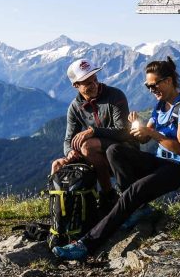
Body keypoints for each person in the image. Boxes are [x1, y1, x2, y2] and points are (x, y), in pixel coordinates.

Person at [53, 56, 180, 260]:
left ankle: (87, 244)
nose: (151, 90)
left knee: (133, 192)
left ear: (168, 81)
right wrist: (139, 128)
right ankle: (134, 206)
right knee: (114, 151)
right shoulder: (160, 107)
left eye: (154, 85)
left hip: (179, 168)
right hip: (160, 161)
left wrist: (153, 134)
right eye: (148, 86)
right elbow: (142, 136)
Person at [50, 58, 132, 203]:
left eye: (95, 79)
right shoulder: (75, 107)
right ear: (76, 85)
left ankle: (108, 195)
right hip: (97, 154)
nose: (94, 85)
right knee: (57, 164)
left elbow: (124, 132)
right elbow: (68, 140)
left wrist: (93, 131)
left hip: (122, 150)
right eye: (88, 83)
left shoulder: (115, 96)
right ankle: (61, 209)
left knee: (88, 146)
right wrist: (70, 152)